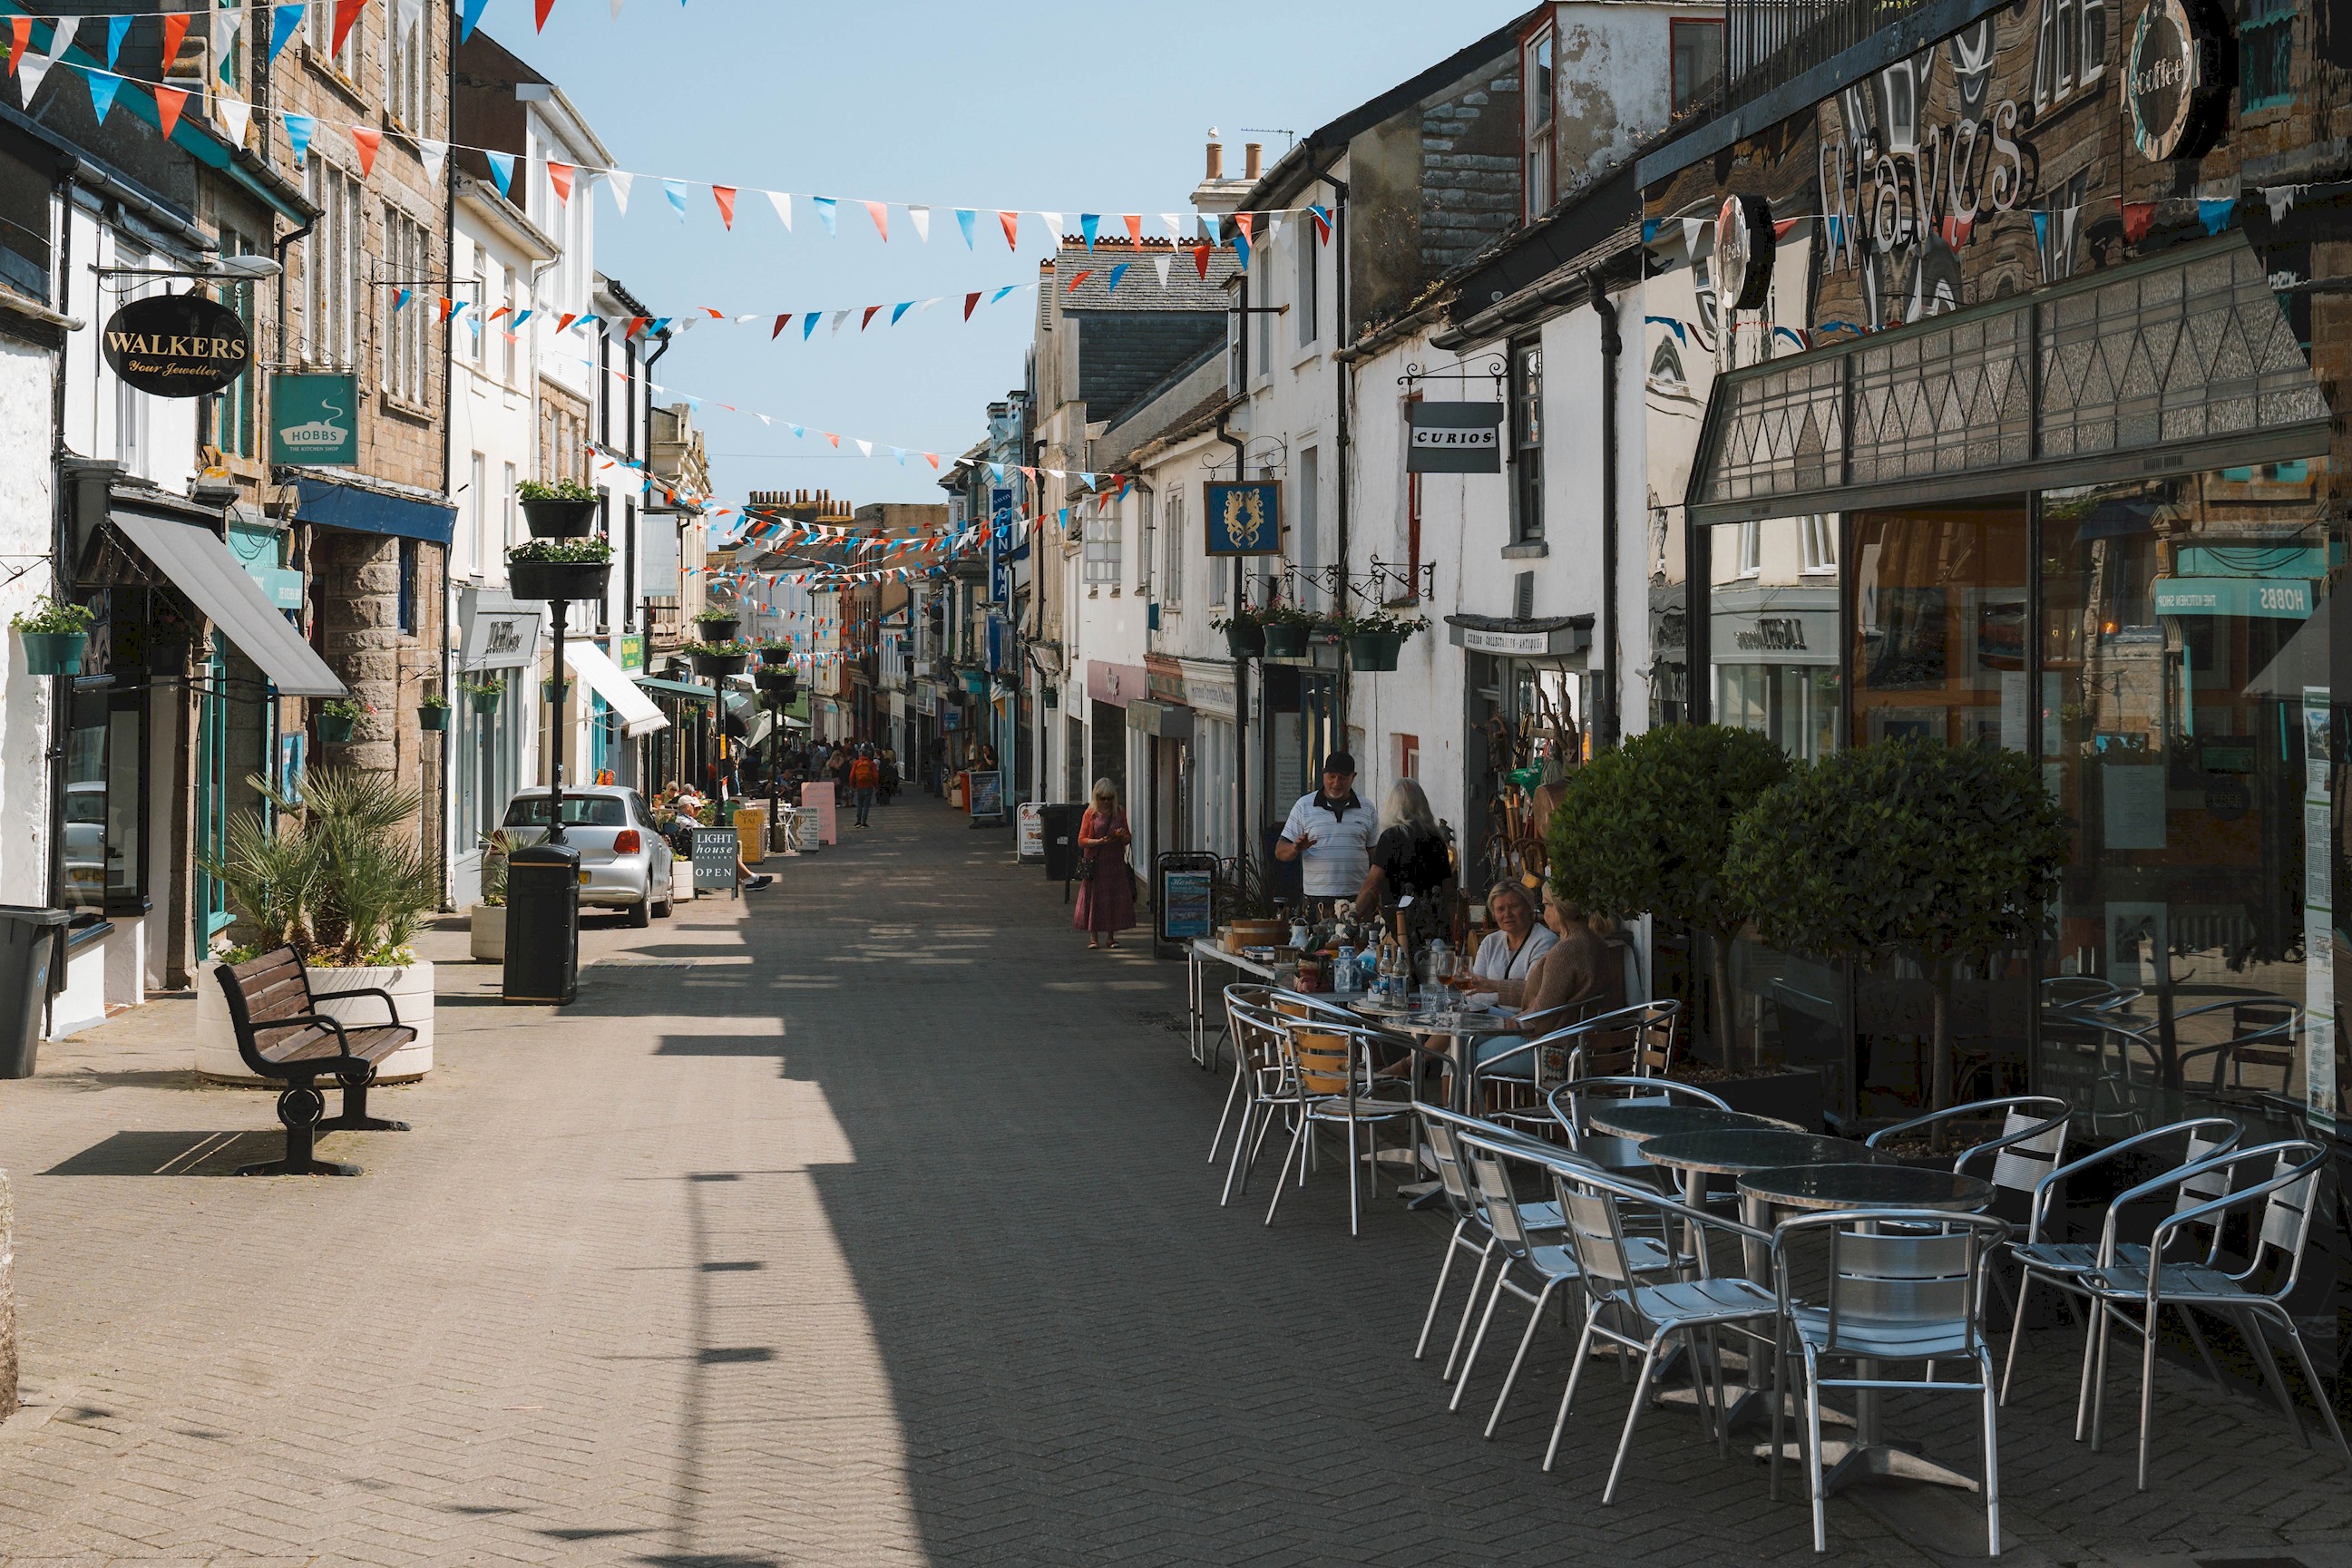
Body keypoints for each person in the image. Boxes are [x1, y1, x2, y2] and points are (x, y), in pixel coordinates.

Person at [1275, 752, 1378, 907]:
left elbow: (1374, 856)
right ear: (1324, 774)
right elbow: (1280, 852)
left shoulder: (1367, 808)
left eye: (1343, 778)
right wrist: (1295, 848)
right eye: (1332, 777)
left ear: (1353, 777)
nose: (1336, 783)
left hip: (1358, 900)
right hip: (1317, 901)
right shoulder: (1304, 806)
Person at [1352, 778, 1455, 921]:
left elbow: (1371, 886)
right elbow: (1448, 887)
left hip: (1397, 919)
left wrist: (1353, 917)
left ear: (1392, 805)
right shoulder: (1435, 839)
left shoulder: (1390, 838)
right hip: (1431, 919)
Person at [1073, 778, 1136, 950]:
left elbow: (1128, 838)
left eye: (1109, 798)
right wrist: (1098, 841)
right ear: (1096, 797)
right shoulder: (1090, 813)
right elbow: (1081, 840)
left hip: (1114, 862)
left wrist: (1122, 836)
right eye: (1102, 798)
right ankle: (1093, 937)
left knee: (1112, 899)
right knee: (1094, 899)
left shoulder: (1119, 812)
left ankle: (1111, 937)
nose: (1106, 802)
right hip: (1096, 862)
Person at [1468, 881, 1557, 989]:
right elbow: (1473, 989)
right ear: (1494, 914)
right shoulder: (1490, 942)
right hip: (1486, 1007)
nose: (1507, 914)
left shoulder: (1545, 941)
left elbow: (1532, 993)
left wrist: (1490, 987)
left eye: (1514, 906)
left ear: (1528, 908)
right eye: (1500, 909)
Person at [849, 745, 882, 828]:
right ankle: (864, 822)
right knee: (866, 805)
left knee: (859, 804)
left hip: (859, 786)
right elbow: (875, 776)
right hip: (869, 786)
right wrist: (876, 786)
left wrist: (852, 785)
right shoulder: (871, 764)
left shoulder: (857, 763)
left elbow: (852, 775)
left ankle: (858, 821)